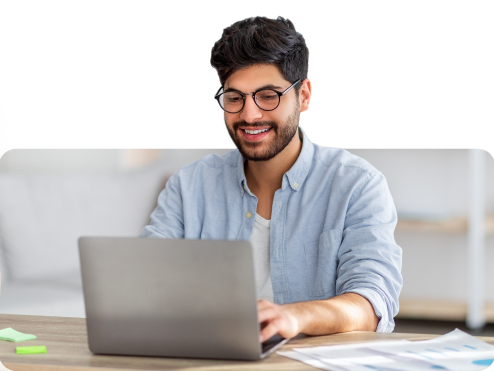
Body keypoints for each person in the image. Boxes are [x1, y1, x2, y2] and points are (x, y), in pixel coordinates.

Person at [139, 15, 402, 343]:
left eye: (268, 96)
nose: (249, 115)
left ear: (304, 95)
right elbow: (144, 279)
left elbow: (371, 303)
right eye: (235, 98)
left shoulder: (358, 185)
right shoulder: (189, 186)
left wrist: (294, 315)